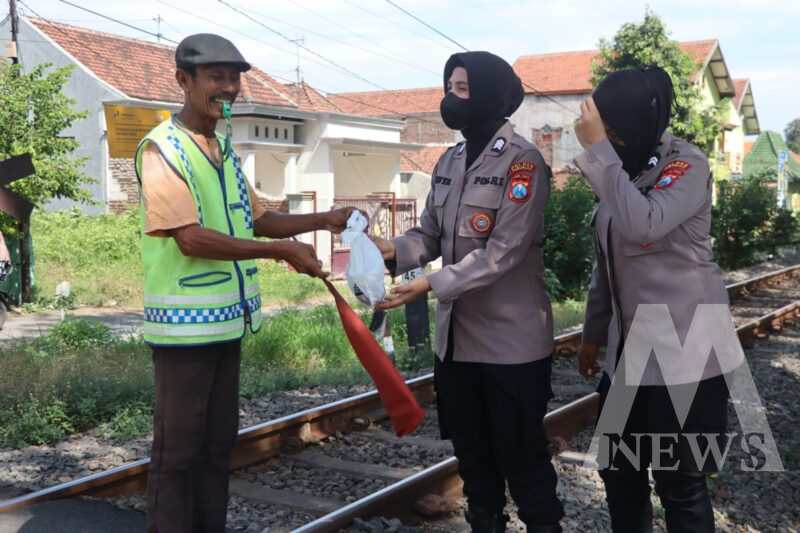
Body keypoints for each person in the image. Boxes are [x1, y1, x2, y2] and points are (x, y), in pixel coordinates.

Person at [135, 33, 353, 533]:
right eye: (216, 76)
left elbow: (260, 219)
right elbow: (189, 238)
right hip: (183, 331)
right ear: (183, 80)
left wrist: (326, 219)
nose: (229, 87)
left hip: (225, 325)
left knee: (217, 448)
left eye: (235, 77)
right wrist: (281, 252)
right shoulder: (163, 149)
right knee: (179, 453)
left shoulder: (222, 148)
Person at [374, 51, 564, 533]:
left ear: (489, 94)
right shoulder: (449, 160)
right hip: (458, 347)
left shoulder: (523, 163)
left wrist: (429, 284)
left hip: (511, 347)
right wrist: (391, 251)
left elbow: (504, 252)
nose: (450, 99)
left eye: (461, 88)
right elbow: (431, 235)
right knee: (475, 465)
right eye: (448, 87)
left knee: (523, 465)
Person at [574, 67, 732, 532]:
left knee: (679, 483)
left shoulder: (687, 164)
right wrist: (592, 336)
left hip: (686, 354)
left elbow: (643, 224)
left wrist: (599, 151)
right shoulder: (619, 170)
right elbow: (608, 262)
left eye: (615, 129)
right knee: (618, 471)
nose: (611, 137)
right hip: (629, 356)